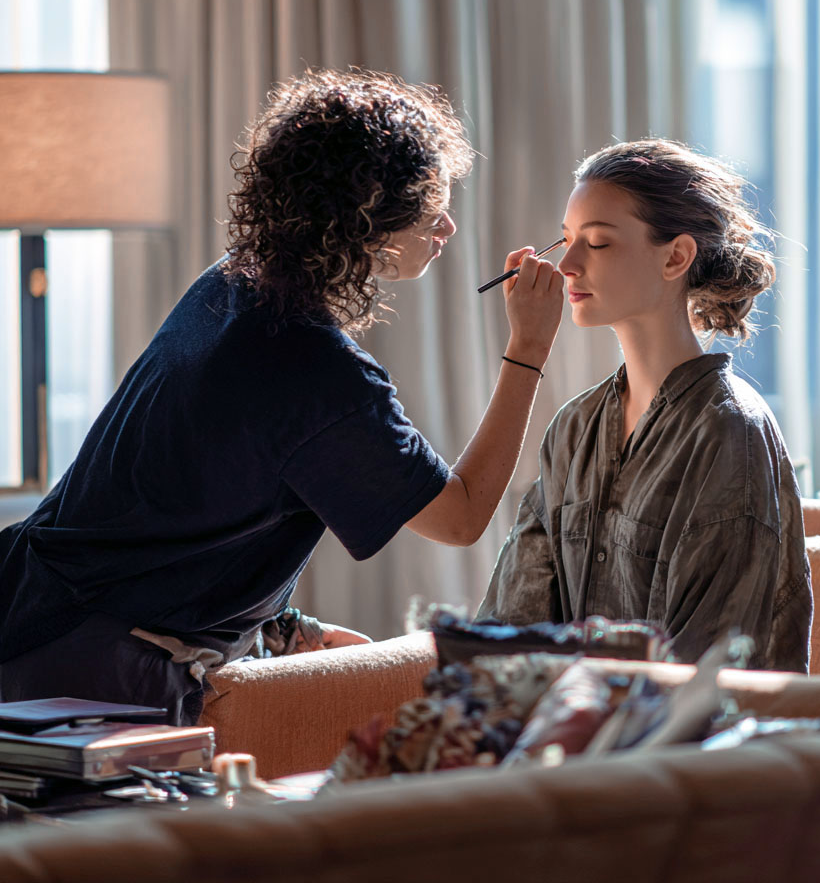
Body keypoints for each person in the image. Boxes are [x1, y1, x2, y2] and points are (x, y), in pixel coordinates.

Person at [0, 68, 564, 723]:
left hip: (31, 610)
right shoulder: (318, 373)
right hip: (92, 663)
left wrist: (281, 627)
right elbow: (461, 518)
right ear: (367, 213)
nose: (447, 225)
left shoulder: (230, 287)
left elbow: (179, 507)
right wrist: (528, 349)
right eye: (430, 201)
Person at [478, 139, 812, 672]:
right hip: (571, 739)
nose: (567, 265)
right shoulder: (574, 428)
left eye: (598, 243)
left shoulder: (729, 431)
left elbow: (709, 670)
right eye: (566, 241)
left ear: (676, 256)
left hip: (682, 749)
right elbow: (511, 629)